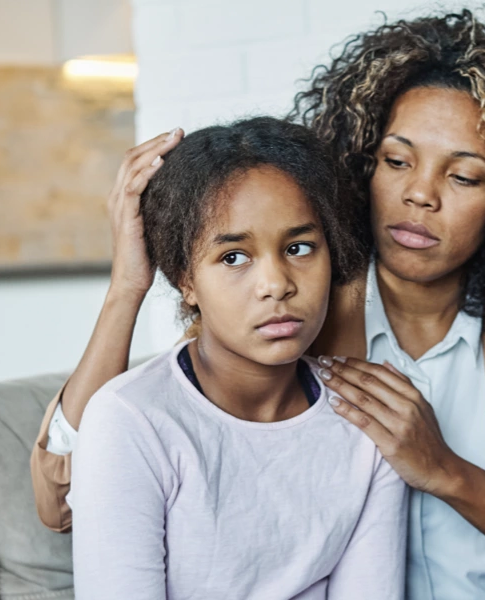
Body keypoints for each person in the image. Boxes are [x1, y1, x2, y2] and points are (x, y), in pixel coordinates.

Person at [31, 10, 485, 600]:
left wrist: (445, 470)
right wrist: (127, 289)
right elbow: (65, 501)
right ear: (362, 163)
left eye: (463, 175)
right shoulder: (294, 310)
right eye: (397, 161)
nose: (420, 195)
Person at [69, 117, 408, 599]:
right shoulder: (131, 420)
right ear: (186, 279)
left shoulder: (366, 417)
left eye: (299, 247)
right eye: (233, 257)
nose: (277, 284)